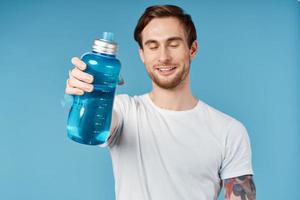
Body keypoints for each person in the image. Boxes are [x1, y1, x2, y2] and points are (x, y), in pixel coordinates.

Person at [65, 4, 256, 200]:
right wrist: (86, 94)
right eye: (153, 46)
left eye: (173, 44)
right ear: (142, 54)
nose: (163, 57)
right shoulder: (124, 111)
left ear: (192, 49)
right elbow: (90, 130)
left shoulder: (229, 131)